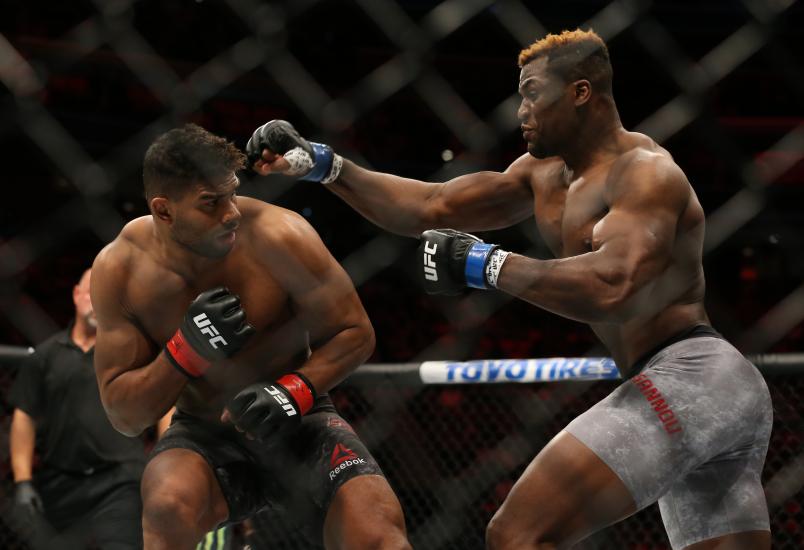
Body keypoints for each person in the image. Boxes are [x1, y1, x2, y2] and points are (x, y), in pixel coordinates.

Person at [246, 29, 773, 550]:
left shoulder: (645, 173)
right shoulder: (543, 175)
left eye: (533, 92)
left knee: (517, 533)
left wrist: (486, 264)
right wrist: (325, 166)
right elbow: (431, 206)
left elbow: (616, 285)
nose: (520, 111)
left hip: (693, 376)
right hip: (694, 389)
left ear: (580, 92)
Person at [90, 123, 411, 550]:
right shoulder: (120, 269)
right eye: (211, 202)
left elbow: (355, 333)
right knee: (168, 503)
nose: (232, 213)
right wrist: (185, 351)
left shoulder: (279, 235)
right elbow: (125, 416)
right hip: (205, 432)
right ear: (164, 211)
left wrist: (292, 390)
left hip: (302, 420)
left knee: (380, 534)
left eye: (232, 193)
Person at [8, 268, 144, 550]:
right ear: (76, 294)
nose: (98, 300)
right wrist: (23, 481)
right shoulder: (45, 355)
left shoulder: (128, 351)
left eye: (106, 295)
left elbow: (164, 403)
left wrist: (163, 454)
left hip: (120, 479)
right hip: (61, 482)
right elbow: (24, 417)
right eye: (92, 292)